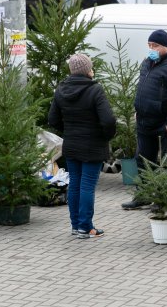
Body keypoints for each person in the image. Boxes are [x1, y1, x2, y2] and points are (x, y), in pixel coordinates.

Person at [121, 30, 167, 210]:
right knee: (142, 159)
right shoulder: (148, 63)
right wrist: (139, 110)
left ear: (166, 46)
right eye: (150, 45)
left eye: (155, 46)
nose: (151, 49)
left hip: (164, 124)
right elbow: (143, 88)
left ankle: (163, 199)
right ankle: (143, 196)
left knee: (164, 162)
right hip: (145, 121)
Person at [48, 53, 117, 238]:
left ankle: (76, 225)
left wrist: (68, 130)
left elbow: (52, 119)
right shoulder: (95, 90)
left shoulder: (61, 89)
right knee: (86, 186)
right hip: (92, 146)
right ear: (88, 70)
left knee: (75, 185)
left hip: (71, 145)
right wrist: (105, 136)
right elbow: (109, 120)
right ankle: (85, 227)